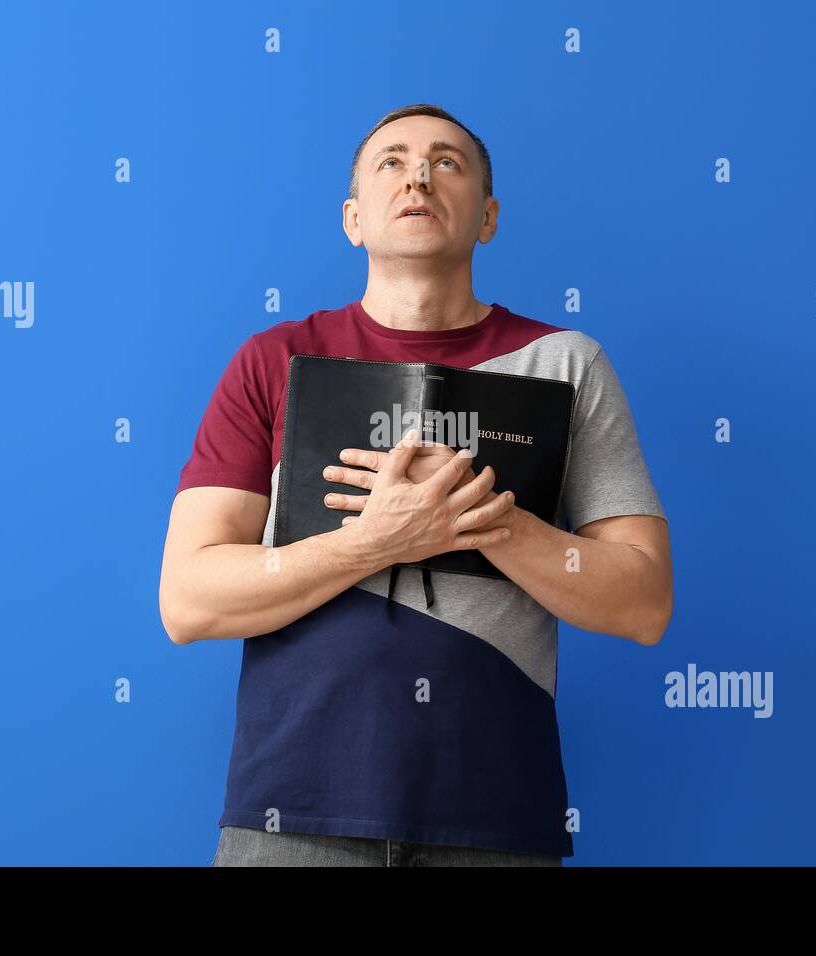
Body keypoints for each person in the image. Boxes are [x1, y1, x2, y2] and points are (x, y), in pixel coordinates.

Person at [159, 104, 673, 867]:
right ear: (353, 218)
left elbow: (645, 602)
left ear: (489, 217)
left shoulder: (567, 364)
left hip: (496, 816)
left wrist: (482, 517)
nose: (420, 177)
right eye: (392, 163)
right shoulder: (274, 360)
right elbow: (188, 600)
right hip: (291, 815)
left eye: (448, 162)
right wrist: (373, 541)